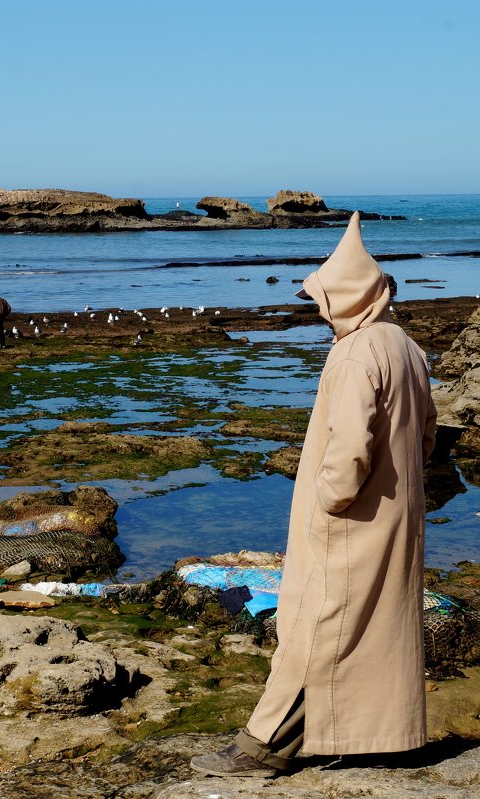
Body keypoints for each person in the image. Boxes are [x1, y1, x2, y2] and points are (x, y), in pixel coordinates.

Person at [191, 212, 437, 778]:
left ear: (346, 296)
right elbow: (426, 437)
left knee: (314, 629)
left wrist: (330, 501)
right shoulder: (405, 346)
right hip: (397, 514)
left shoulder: (353, 354)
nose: (320, 311)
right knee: (377, 628)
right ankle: (381, 735)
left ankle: (263, 748)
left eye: (322, 299)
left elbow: (349, 452)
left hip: (350, 519)